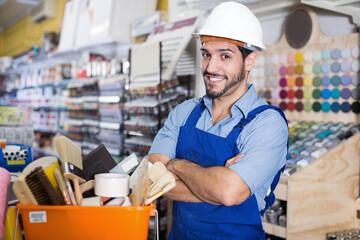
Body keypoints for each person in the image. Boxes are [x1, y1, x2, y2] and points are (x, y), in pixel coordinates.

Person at [148, 1, 288, 239]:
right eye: (206, 54)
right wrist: (214, 182)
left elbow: (229, 193)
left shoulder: (267, 124)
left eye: (225, 56)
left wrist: (176, 165)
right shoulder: (184, 112)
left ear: (249, 61)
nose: (211, 67)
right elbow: (151, 177)